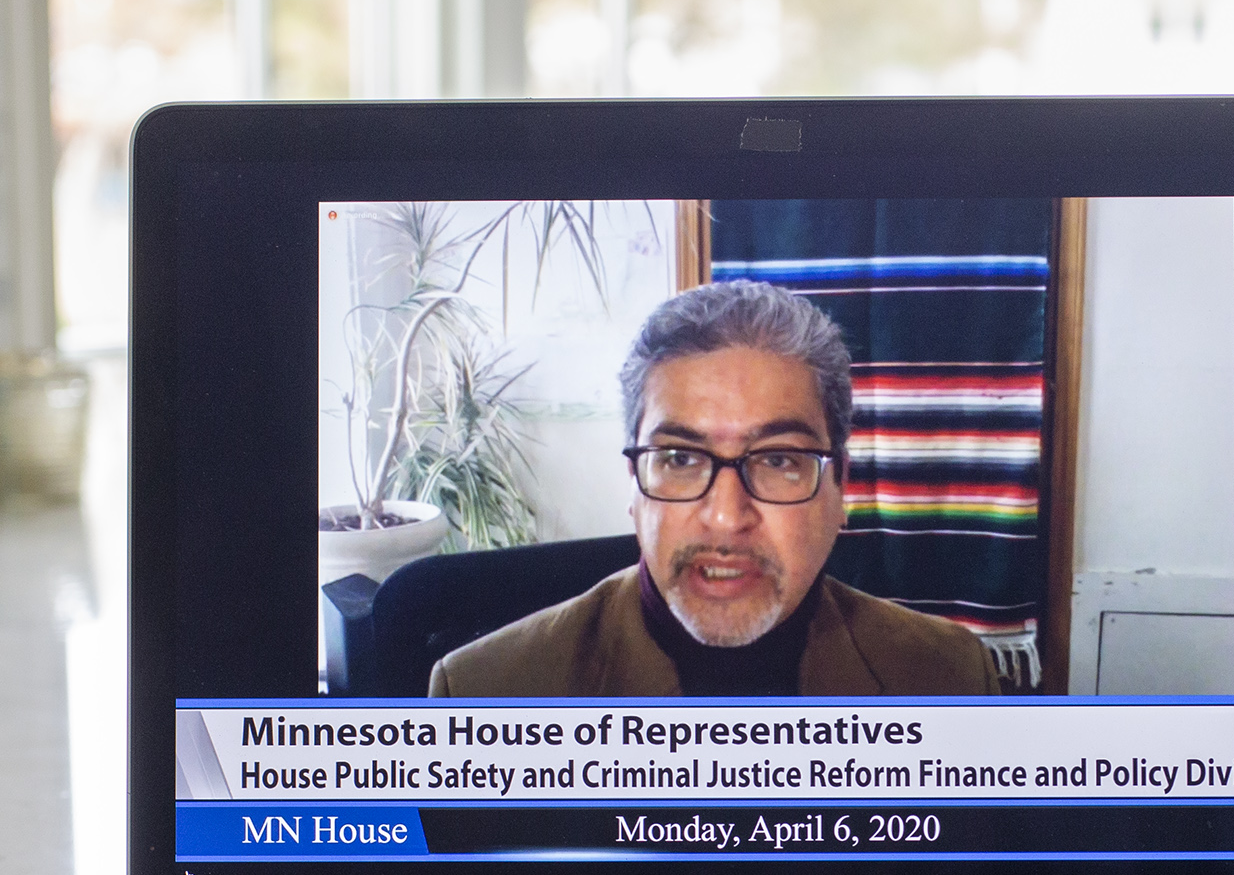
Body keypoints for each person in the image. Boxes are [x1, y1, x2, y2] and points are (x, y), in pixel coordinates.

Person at [429, 280, 1001, 697]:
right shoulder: (483, 693)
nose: (726, 519)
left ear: (840, 487)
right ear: (635, 486)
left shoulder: (949, 677)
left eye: (779, 459)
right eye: (679, 458)